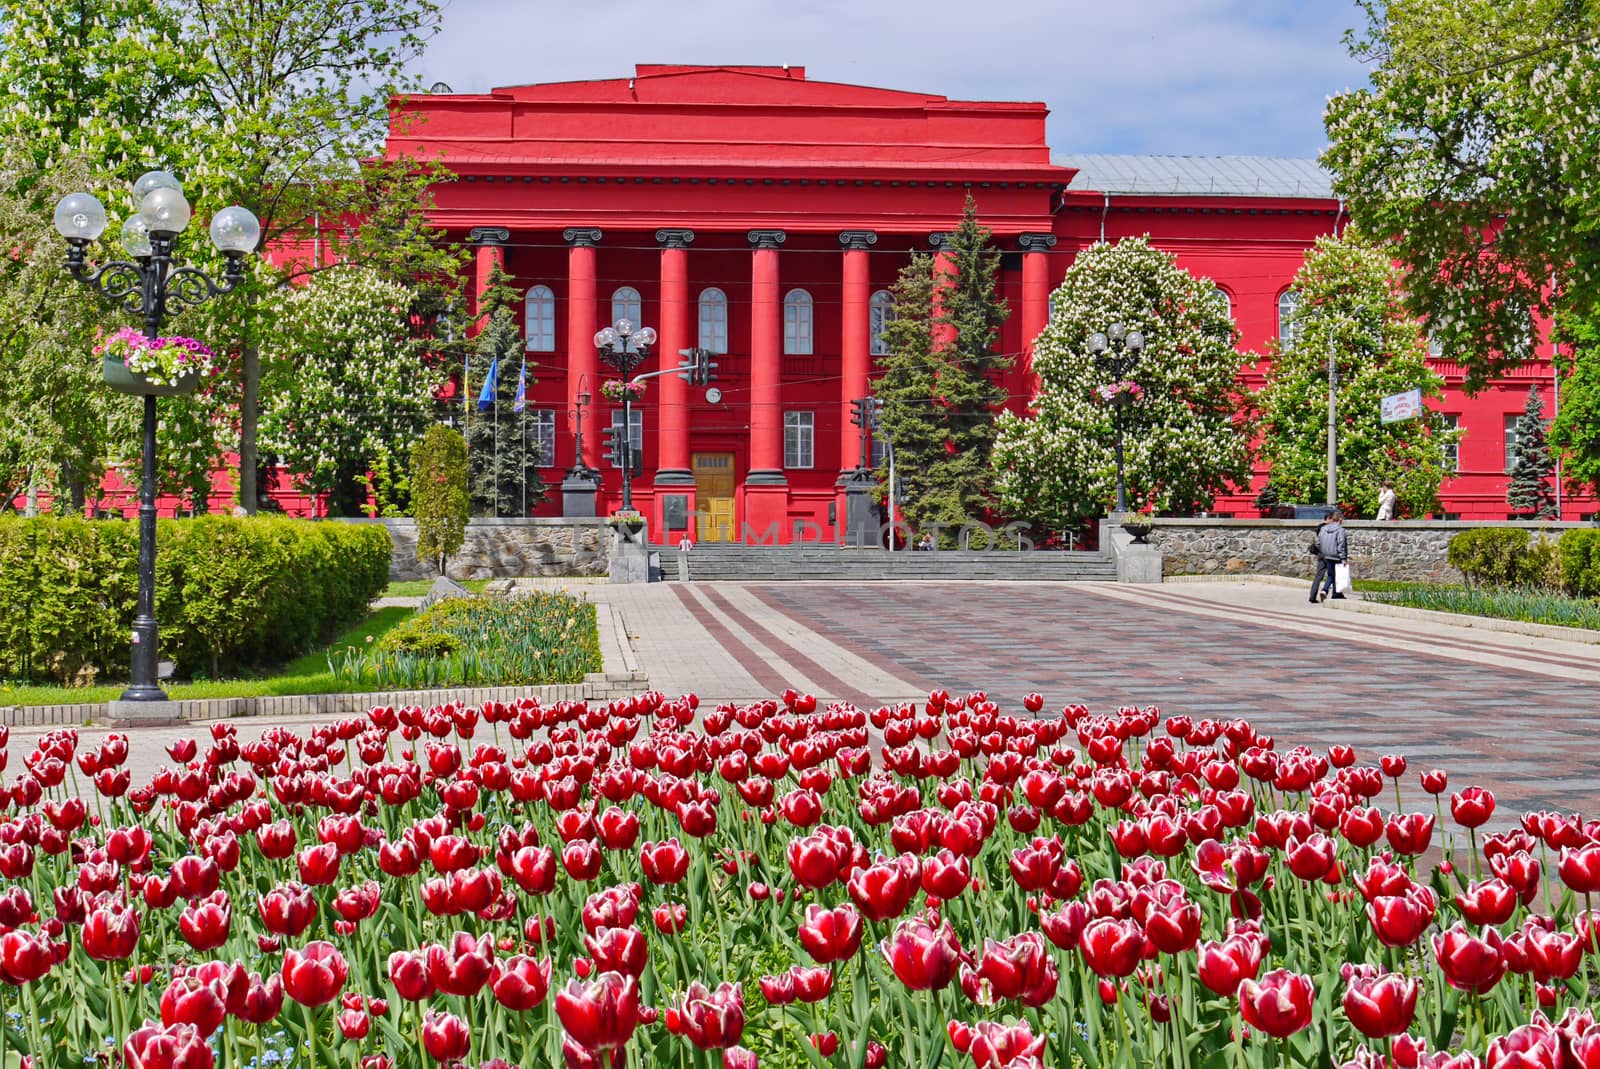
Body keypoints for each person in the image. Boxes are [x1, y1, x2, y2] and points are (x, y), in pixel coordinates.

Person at [1310, 509, 1347, 603]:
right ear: (1340, 519)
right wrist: (1343, 557)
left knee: (1329, 575)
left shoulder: (1323, 529)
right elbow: (1341, 544)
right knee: (1334, 575)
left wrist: (1323, 551)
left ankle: (1331, 593)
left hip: (1325, 555)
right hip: (1336, 556)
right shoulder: (1340, 530)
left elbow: (1318, 543)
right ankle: (1329, 591)